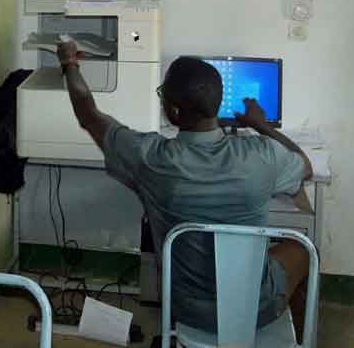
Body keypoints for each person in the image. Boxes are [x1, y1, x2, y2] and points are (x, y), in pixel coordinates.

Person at [57, 43, 313, 339]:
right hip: (253, 307)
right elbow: (305, 166)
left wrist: (70, 65)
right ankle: (288, 337)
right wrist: (261, 125)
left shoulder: (150, 158)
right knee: (304, 249)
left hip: (186, 309)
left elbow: (88, 114)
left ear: (173, 110)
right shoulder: (262, 155)